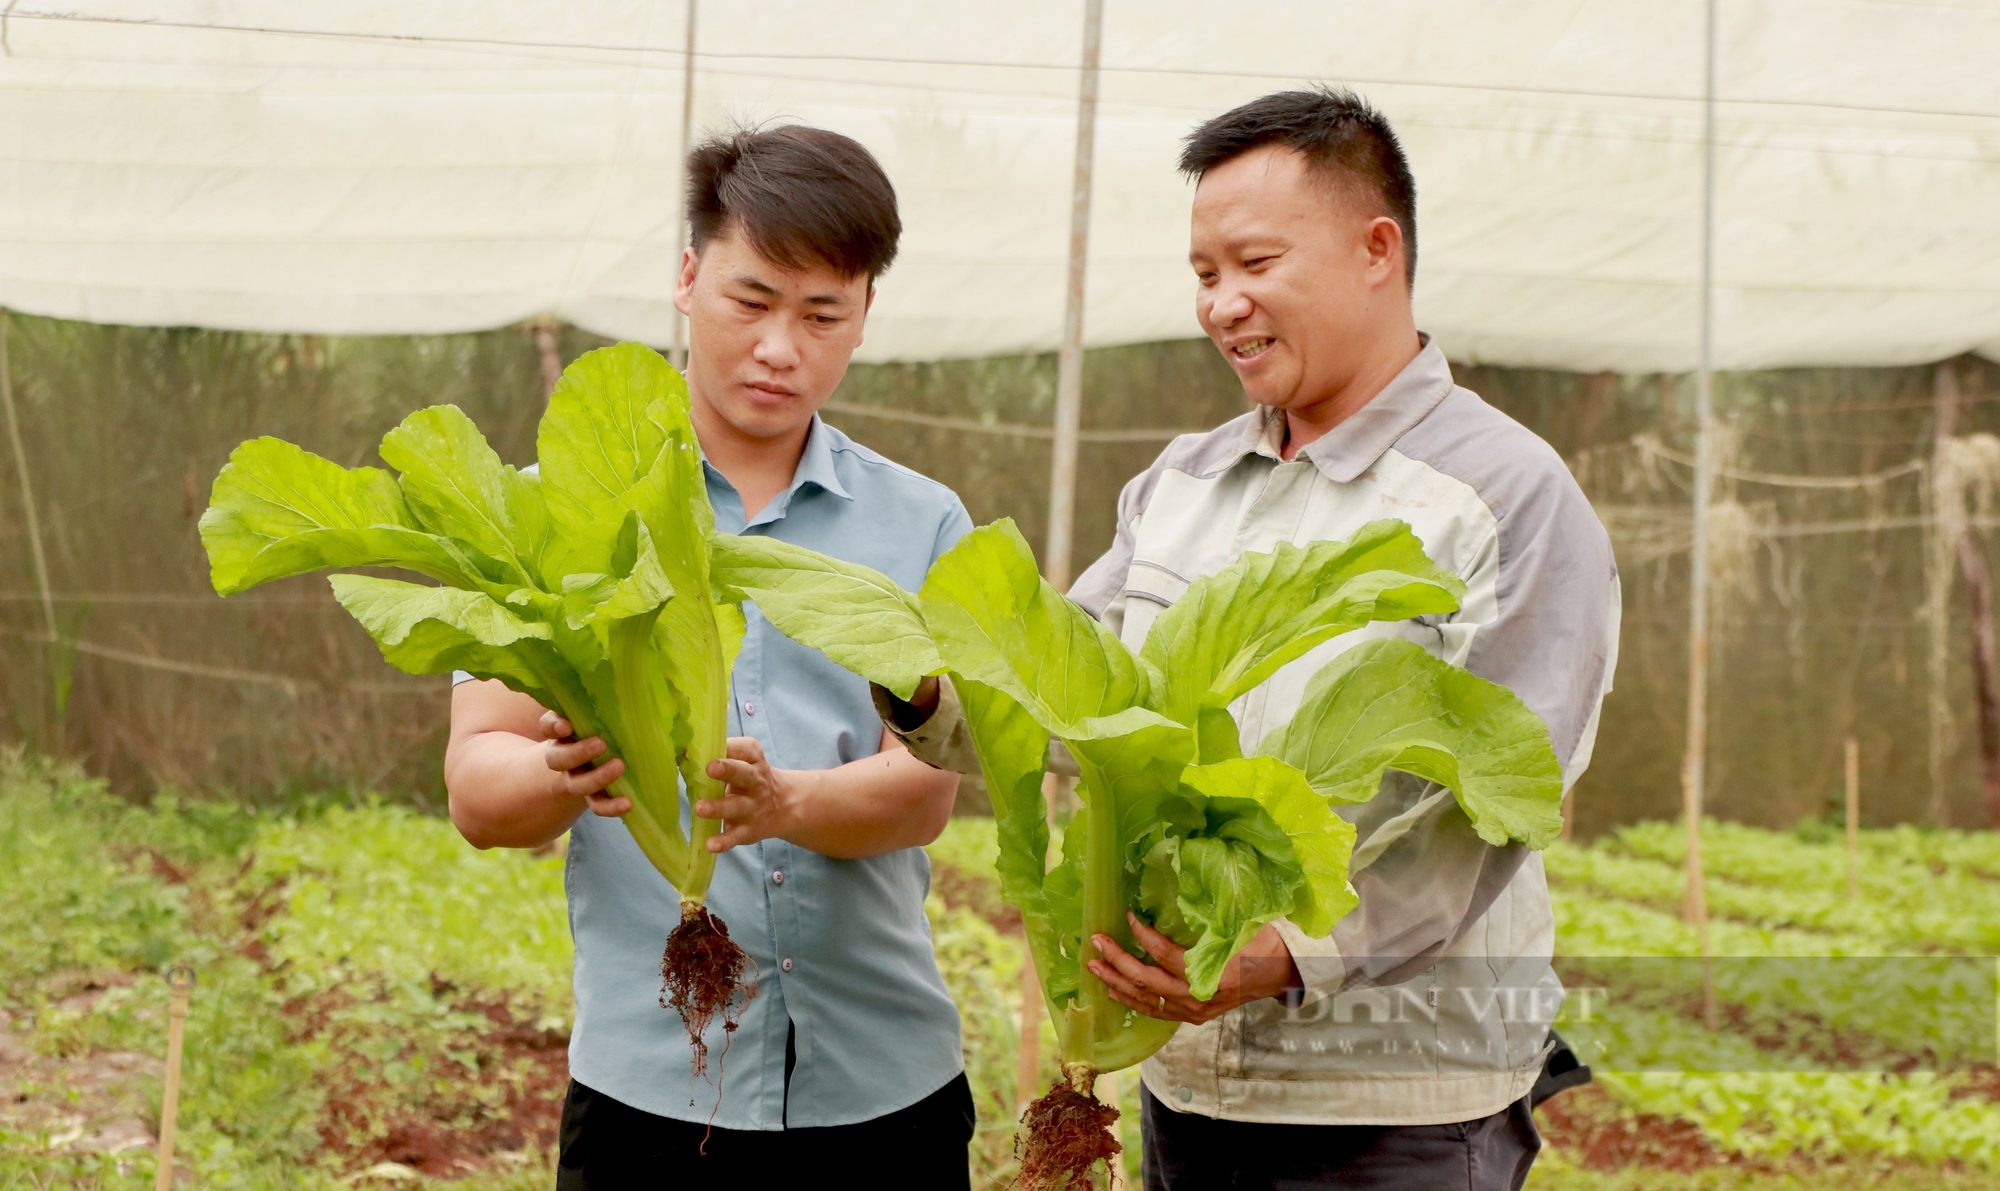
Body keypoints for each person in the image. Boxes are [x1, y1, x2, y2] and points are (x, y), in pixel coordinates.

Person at [886, 88, 1619, 1190]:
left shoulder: (1506, 496)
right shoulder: (1180, 481)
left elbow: (1496, 800)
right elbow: (1069, 693)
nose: (1221, 304)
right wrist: (927, 690)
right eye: (1201, 275)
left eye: (1253, 265)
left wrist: (1283, 955)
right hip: (1185, 1083)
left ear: (1378, 250)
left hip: (1389, 1110)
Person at [444, 125, 977, 1189]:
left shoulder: (920, 524)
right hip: (651, 1096)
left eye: (821, 314)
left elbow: (925, 791)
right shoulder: (561, 513)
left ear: (863, 317)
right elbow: (476, 787)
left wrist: (791, 807)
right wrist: (557, 773)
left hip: (883, 1093)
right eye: (752, 301)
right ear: (687, 278)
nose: (781, 347)